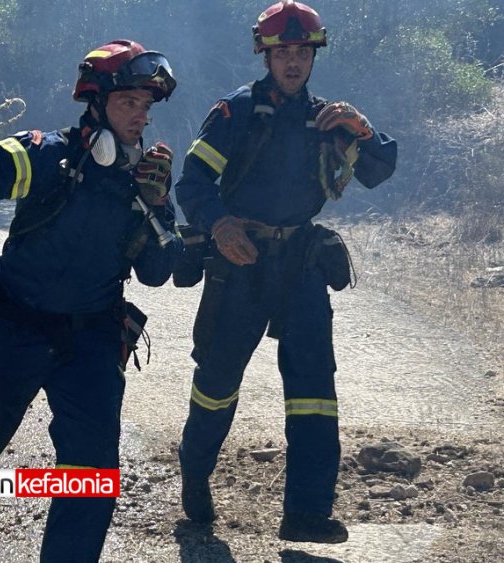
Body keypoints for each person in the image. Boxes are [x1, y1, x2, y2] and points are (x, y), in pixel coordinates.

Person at [0, 39, 182, 562]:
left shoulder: (145, 179)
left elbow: (158, 273)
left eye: (146, 106)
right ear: (96, 102)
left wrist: (158, 205)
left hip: (94, 339)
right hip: (15, 327)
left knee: (93, 473)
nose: (139, 117)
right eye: (128, 103)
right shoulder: (48, 153)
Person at [174, 0, 398, 544]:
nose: (293, 62)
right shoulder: (236, 113)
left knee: (314, 388)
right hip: (240, 263)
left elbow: (379, 169)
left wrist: (364, 132)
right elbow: (191, 184)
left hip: (301, 264)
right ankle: (195, 469)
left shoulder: (330, 118)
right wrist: (220, 224)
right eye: (283, 52)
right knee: (217, 383)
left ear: (313, 56)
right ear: (265, 55)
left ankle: (306, 513)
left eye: (302, 51)